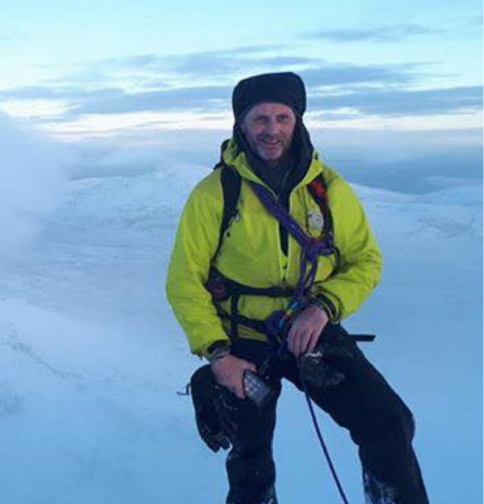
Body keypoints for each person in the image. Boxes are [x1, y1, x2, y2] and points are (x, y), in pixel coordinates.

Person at [165, 72, 428, 504]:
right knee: (250, 462)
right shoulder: (216, 193)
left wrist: (324, 307)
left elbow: (365, 260)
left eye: (283, 117)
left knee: (389, 423)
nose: (272, 129)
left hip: (310, 327)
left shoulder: (327, 189)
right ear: (242, 125)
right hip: (240, 337)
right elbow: (183, 280)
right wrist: (218, 355)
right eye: (260, 118)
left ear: (298, 121)